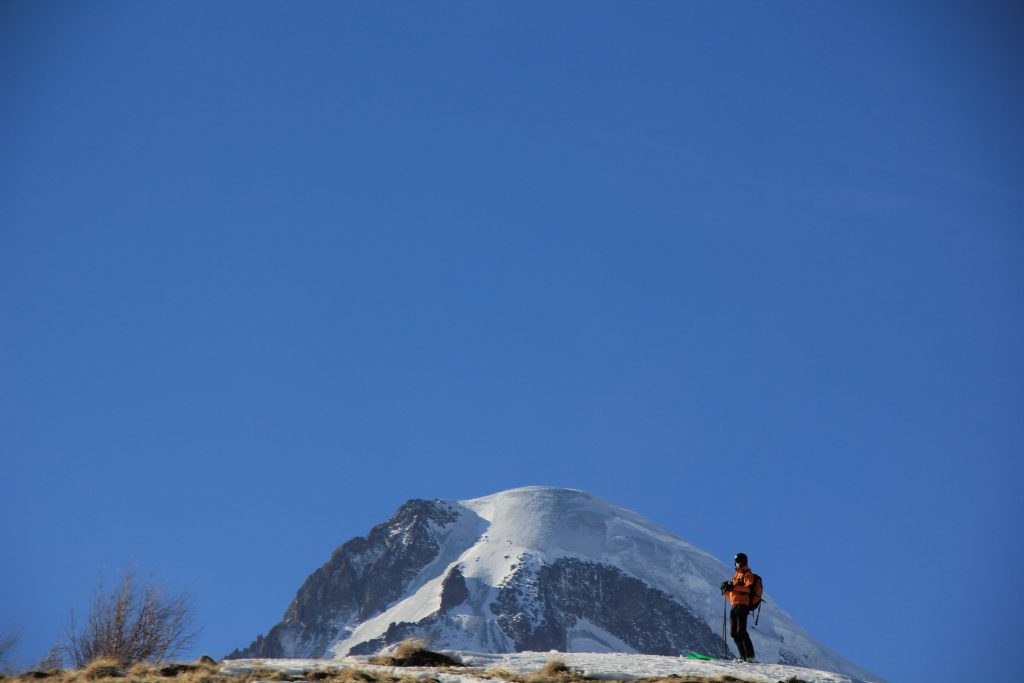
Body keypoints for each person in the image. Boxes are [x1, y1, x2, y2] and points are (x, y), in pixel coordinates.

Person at [720, 552, 757, 663]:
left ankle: (750, 656)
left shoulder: (748, 574)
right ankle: (743, 656)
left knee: (741, 631)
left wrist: (733, 586)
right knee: (733, 633)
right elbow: (732, 594)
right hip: (734, 605)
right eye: (737, 562)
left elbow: (749, 589)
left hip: (743, 605)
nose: (738, 564)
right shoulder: (736, 576)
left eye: (740, 561)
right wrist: (726, 590)